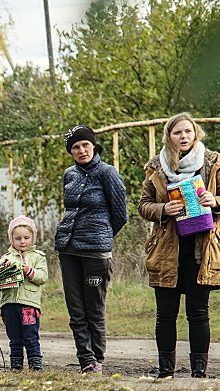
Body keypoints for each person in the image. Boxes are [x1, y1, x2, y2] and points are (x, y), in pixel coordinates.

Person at [137, 112, 220, 378]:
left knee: (198, 312)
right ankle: (165, 369)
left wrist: (214, 201)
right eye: (177, 132)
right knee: (165, 314)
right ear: (169, 136)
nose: (183, 137)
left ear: (196, 134)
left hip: (201, 249)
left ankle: (199, 370)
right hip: (167, 249)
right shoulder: (156, 166)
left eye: (188, 132)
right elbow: (143, 205)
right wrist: (162, 208)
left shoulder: (213, 162)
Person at [55, 125, 128, 374]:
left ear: (93, 146)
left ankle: (97, 357)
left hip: (96, 253)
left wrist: (102, 235)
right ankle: (85, 360)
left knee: (94, 309)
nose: (81, 150)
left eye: (85, 145)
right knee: (76, 310)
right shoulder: (69, 175)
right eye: (75, 147)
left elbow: (120, 215)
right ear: (71, 152)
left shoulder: (108, 173)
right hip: (69, 250)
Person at [0, 215, 49, 371]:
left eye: (26, 237)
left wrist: (28, 270)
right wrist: (4, 270)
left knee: (30, 336)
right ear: (11, 239)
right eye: (17, 238)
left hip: (29, 305)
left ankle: (35, 364)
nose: (22, 241)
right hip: (9, 305)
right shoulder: (6, 258)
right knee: (14, 337)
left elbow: (42, 277)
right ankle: (16, 364)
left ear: (33, 237)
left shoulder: (38, 257)